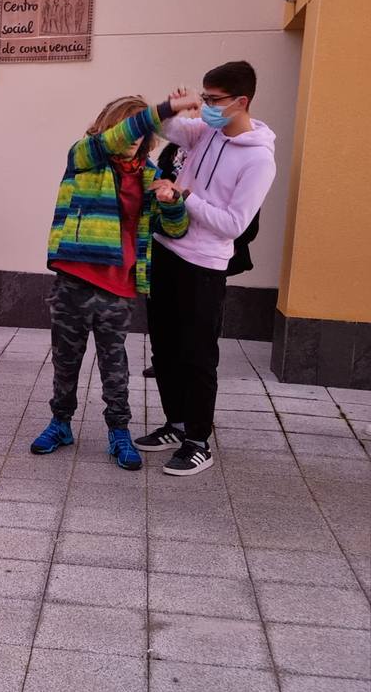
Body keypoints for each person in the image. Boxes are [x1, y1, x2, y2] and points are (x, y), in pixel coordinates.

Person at [29, 94, 196, 471]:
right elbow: (115, 139)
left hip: (118, 285)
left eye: (142, 129)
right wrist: (164, 109)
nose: (135, 136)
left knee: (115, 365)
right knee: (65, 361)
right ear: (111, 125)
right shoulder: (86, 155)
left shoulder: (150, 174)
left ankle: (119, 431)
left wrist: (171, 201)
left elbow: (176, 229)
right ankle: (60, 424)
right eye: (128, 125)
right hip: (74, 278)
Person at [137, 61, 276, 476]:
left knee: (197, 355)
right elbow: (165, 129)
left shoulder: (259, 161)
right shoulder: (208, 132)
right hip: (165, 249)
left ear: (241, 101)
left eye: (214, 100)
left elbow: (235, 224)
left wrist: (185, 197)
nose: (207, 107)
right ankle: (175, 424)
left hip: (204, 265)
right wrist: (172, 106)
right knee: (163, 346)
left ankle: (198, 440)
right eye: (205, 97)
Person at [141, 141, 260, 378]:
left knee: (200, 325)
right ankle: (166, 363)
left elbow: (244, 222)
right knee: (164, 319)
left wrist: (230, 246)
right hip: (167, 244)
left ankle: (189, 373)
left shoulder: (233, 158)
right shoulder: (172, 154)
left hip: (209, 254)